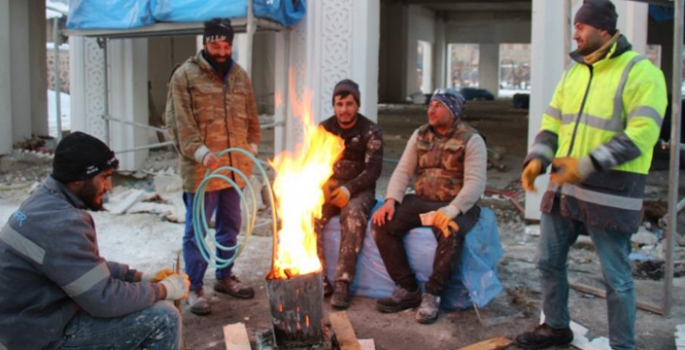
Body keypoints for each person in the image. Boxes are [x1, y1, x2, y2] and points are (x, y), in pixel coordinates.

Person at [516, 1, 667, 349]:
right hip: (565, 189)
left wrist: (587, 164)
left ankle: (622, 345)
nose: (575, 33)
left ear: (603, 29)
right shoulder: (575, 72)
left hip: (610, 189)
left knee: (616, 277)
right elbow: (553, 121)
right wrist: (538, 158)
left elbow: (643, 132)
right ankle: (555, 326)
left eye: (581, 27)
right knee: (547, 262)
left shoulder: (640, 72)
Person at [0, 132, 189, 350]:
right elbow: (104, 299)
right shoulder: (63, 222)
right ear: (78, 179)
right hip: (34, 337)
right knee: (163, 318)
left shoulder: (44, 201)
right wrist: (163, 290)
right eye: (104, 177)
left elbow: (81, 269)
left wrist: (138, 276)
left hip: (23, 322)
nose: (109, 187)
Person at [166, 17, 261, 316]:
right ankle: (194, 286)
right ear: (205, 43)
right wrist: (200, 152)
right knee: (197, 231)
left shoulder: (240, 76)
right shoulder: (185, 76)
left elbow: (252, 117)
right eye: (216, 45)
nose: (222, 51)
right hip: (203, 171)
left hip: (235, 169)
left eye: (226, 45)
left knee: (230, 227)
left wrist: (253, 146)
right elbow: (178, 123)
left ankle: (224, 276)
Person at [371, 88, 486, 324]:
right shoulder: (420, 134)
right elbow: (403, 171)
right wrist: (391, 201)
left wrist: (452, 210)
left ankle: (433, 294)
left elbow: (475, 183)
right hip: (422, 200)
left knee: (450, 232)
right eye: (430, 104)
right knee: (383, 225)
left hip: (457, 204)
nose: (430, 109)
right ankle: (407, 288)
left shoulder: (471, 139)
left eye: (438, 105)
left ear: (452, 111)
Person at [315, 79, 383, 309]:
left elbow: (373, 170)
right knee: (306, 212)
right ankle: (318, 276)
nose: (344, 109)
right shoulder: (323, 129)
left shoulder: (370, 130)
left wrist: (349, 189)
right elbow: (312, 164)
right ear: (334, 105)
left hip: (359, 189)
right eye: (339, 104)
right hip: (328, 187)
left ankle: (343, 282)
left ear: (358, 105)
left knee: (353, 217)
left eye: (349, 104)